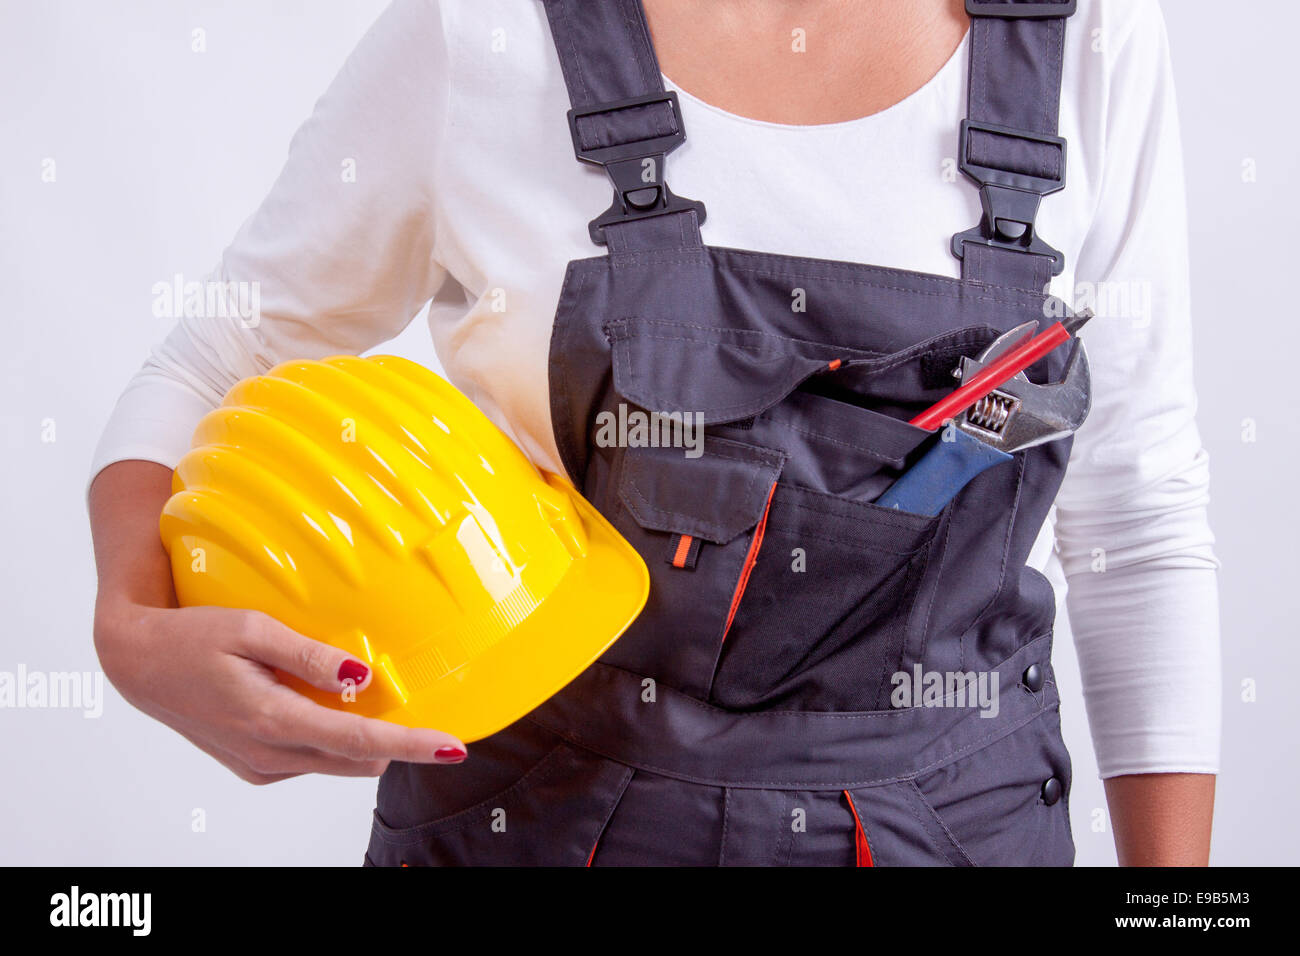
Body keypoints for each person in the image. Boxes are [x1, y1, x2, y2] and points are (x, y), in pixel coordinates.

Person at [88, 0, 1219, 865]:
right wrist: (130, 626)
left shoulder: (1089, 38)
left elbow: (1139, 508)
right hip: (530, 820)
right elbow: (212, 357)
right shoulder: (486, 31)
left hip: (958, 823)